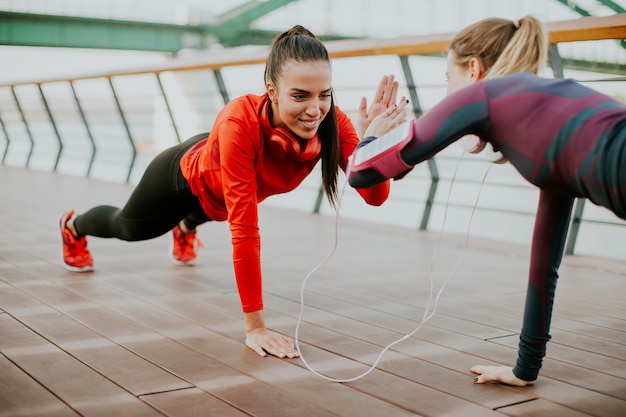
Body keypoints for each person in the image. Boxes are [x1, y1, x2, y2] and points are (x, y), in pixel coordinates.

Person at [59, 25, 408, 359]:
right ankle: (73, 226)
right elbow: (244, 230)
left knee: (216, 209)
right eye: (299, 96)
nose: (314, 109)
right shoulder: (238, 121)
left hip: (221, 193)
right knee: (130, 228)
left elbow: (375, 197)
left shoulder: (333, 122)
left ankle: (186, 227)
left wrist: (371, 143)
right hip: (184, 178)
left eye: (324, 95)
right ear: (272, 91)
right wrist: (255, 328)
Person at [349, 17, 626, 386]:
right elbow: (544, 267)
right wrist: (524, 370)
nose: (449, 90)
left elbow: (362, 173)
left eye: (449, 76)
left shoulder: (480, 95)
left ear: (474, 68)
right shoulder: (551, 106)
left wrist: (371, 135)